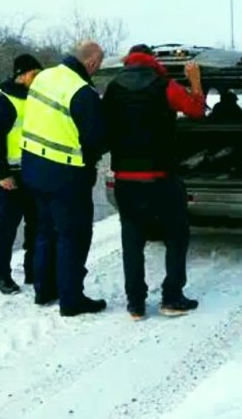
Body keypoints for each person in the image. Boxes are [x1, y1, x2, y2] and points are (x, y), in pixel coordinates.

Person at [102, 44, 205, 320]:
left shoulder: (113, 88)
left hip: (125, 179)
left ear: (129, 61)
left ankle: (135, 304)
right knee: (175, 235)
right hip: (160, 177)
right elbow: (196, 111)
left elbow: (104, 125)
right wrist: (195, 80)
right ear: (152, 61)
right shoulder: (165, 85)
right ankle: (172, 299)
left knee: (132, 240)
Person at [21, 40, 108, 317]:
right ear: (92, 62)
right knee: (73, 236)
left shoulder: (44, 76)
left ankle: (44, 290)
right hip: (67, 176)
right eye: (99, 64)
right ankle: (72, 300)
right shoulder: (82, 91)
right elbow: (97, 139)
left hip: (34, 169)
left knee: (45, 232)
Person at [0, 54, 43, 294]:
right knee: (5, 229)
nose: (37, 79)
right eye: (34, 75)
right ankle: (1, 275)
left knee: (37, 227)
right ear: (22, 74)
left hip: (35, 175)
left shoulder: (36, 99)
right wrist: (2, 175)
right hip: (11, 178)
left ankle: (33, 271)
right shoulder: (2, 100)